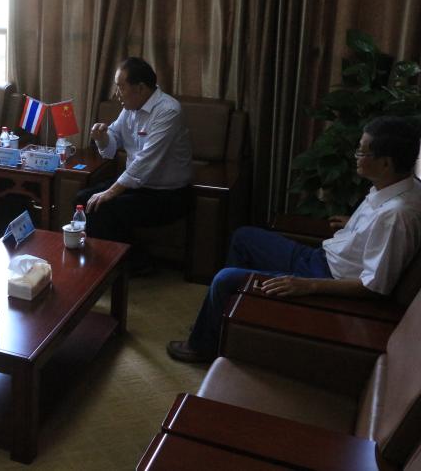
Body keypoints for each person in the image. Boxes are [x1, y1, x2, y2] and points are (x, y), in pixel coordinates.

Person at [167, 116, 421, 363]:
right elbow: (378, 233)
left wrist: (308, 286)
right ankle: (223, 325)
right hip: (320, 259)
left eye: (362, 152)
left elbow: (373, 288)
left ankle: (202, 346)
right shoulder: (400, 187)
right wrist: (358, 225)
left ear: (385, 163)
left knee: (225, 279)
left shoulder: (395, 216)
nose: (356, 156)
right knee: (244, 237)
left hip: (326, 277)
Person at [75, 56, 193, 272]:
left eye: (121, 87)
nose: (116, 94)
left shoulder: (168, 111)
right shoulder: (130, 108)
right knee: (83, 198)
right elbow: (111, 146)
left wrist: (110, 192)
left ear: (140, 88)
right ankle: (111, 262)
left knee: (104, 207)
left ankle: (132, 265)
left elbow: (145, 162)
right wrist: (102, 137)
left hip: (168, 194)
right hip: (138, 187)